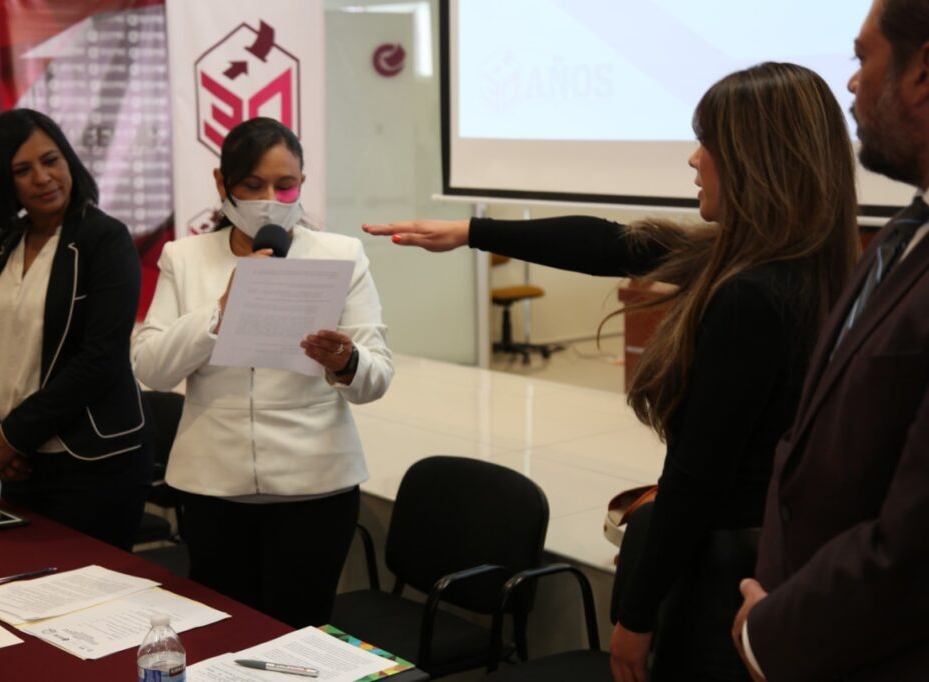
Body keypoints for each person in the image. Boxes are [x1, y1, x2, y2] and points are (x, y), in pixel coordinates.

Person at [365, 62, 858, 681]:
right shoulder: (811, 268)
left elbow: (695, 481)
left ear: (754, 158)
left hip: (718, 577)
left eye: (707, 141)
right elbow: (612, 244)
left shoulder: (750, 294)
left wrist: (635, 615)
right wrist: (471, 230)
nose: (692, 159)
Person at [732, 2, 929, 679]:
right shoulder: (905, 233)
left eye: (862, 59)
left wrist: (771, 633)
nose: (851, 85)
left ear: (922, 72)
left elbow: (912, 545)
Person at [132, 117, 393, 628]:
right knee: (225, 633)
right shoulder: (185, 258)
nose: (270, 198)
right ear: (221, 184)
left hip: (316, 486)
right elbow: (151, 367)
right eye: (252, 185)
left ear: (302, 182)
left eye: (285, 184)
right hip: (214, 486)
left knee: (300, 633)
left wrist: (345, 362)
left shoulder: (340, 253)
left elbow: (377, 376)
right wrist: (216, 318)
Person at [0, 108, 151, 550]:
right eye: (22, 169)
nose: (42, 177)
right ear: (4, 180)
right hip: (23, 461)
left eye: (51, 160)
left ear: (69, 160)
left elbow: (101, 358)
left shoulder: (105, 238)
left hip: (93, 461)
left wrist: (12, 435)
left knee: (89, 602)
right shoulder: (5, 242)